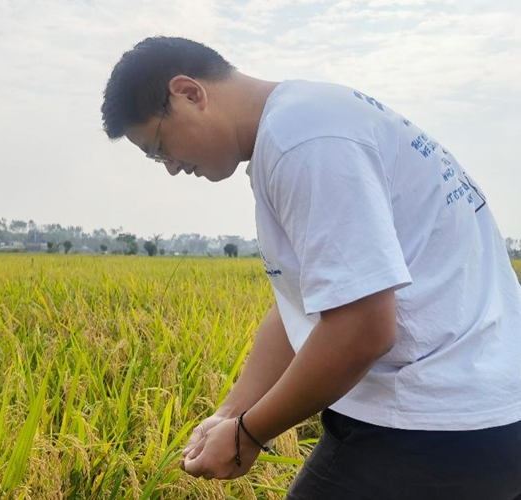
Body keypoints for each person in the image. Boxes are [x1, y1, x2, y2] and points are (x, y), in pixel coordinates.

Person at [100, 36, 521, 499]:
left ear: (190, 93)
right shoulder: (307, 120)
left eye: (160, 146)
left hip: (431, 428)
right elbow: (305, 305)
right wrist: (231, 413)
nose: (171, 168)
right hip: (478, 416)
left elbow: (362, 329)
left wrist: (249, 434)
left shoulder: (302, 140)